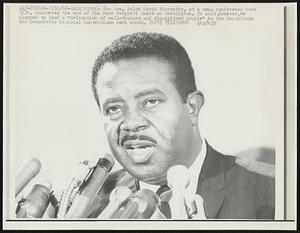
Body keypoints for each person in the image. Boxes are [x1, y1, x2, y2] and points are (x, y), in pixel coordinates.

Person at [90, 32, 275, 219]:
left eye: (151, 101)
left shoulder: (274, 189)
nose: (131, 123)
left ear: (192, 107)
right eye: (114, 108)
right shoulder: (90, 204)